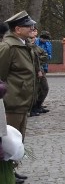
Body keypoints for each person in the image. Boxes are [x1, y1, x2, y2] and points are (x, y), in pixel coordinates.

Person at [0, 12, 39, 145]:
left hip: (22, 103)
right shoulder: (8, 47)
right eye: (28, 26)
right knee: (9, 146)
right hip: (11, 105)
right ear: (18, 29)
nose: (32, 29)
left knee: (18, 146)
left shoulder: (24, 45)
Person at [32, 29, 51, 115]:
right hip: (37, 68)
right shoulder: (36, 43)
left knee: (43, 88)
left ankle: (38, 105)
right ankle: (35, 106)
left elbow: (49, 55)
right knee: (39, 88)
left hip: (43, 66)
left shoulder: (48, 44)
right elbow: (36, 58)